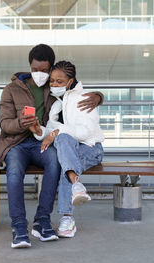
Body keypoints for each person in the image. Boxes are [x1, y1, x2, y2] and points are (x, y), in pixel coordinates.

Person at [0, 44, 104, 248]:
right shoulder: (11, 89)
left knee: (55, 163)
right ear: (30, 67)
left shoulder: (53, 88)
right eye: (35, 70)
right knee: (15, 171)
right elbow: (4, 124)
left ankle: (42, 219)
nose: (40, 74)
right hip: (16, 143)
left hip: (42, 142)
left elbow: (74, 90)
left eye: (45, 70)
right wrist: (22, 124)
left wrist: (98, 97)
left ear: (51, 69)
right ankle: (19, 226)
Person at [30, 60, 105, 238]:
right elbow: (50, 130)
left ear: (70, 82)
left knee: (63, 147)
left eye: (59, 81)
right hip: (70, 150)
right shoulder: (57, 104)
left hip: (91, 148)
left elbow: (86, 132)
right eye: (52, 81)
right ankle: (76, 184)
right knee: (64, 150)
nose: (54, 85)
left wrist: (56, 132)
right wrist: (38, 131)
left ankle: (67, 217)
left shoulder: (84, 98)